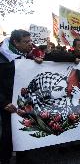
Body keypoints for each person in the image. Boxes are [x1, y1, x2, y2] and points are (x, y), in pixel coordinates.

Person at [0, 29, 37, 164]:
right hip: (8, 104)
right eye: (26, 42)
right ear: (15, 42)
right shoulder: (2, 58)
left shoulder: (24, 55)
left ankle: (23, 157)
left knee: (25, 127)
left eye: (31, 41)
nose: (30, 44)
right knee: (8, 132)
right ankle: (5, 159)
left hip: (23, 101)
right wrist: (3, 102)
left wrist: (35, 61)